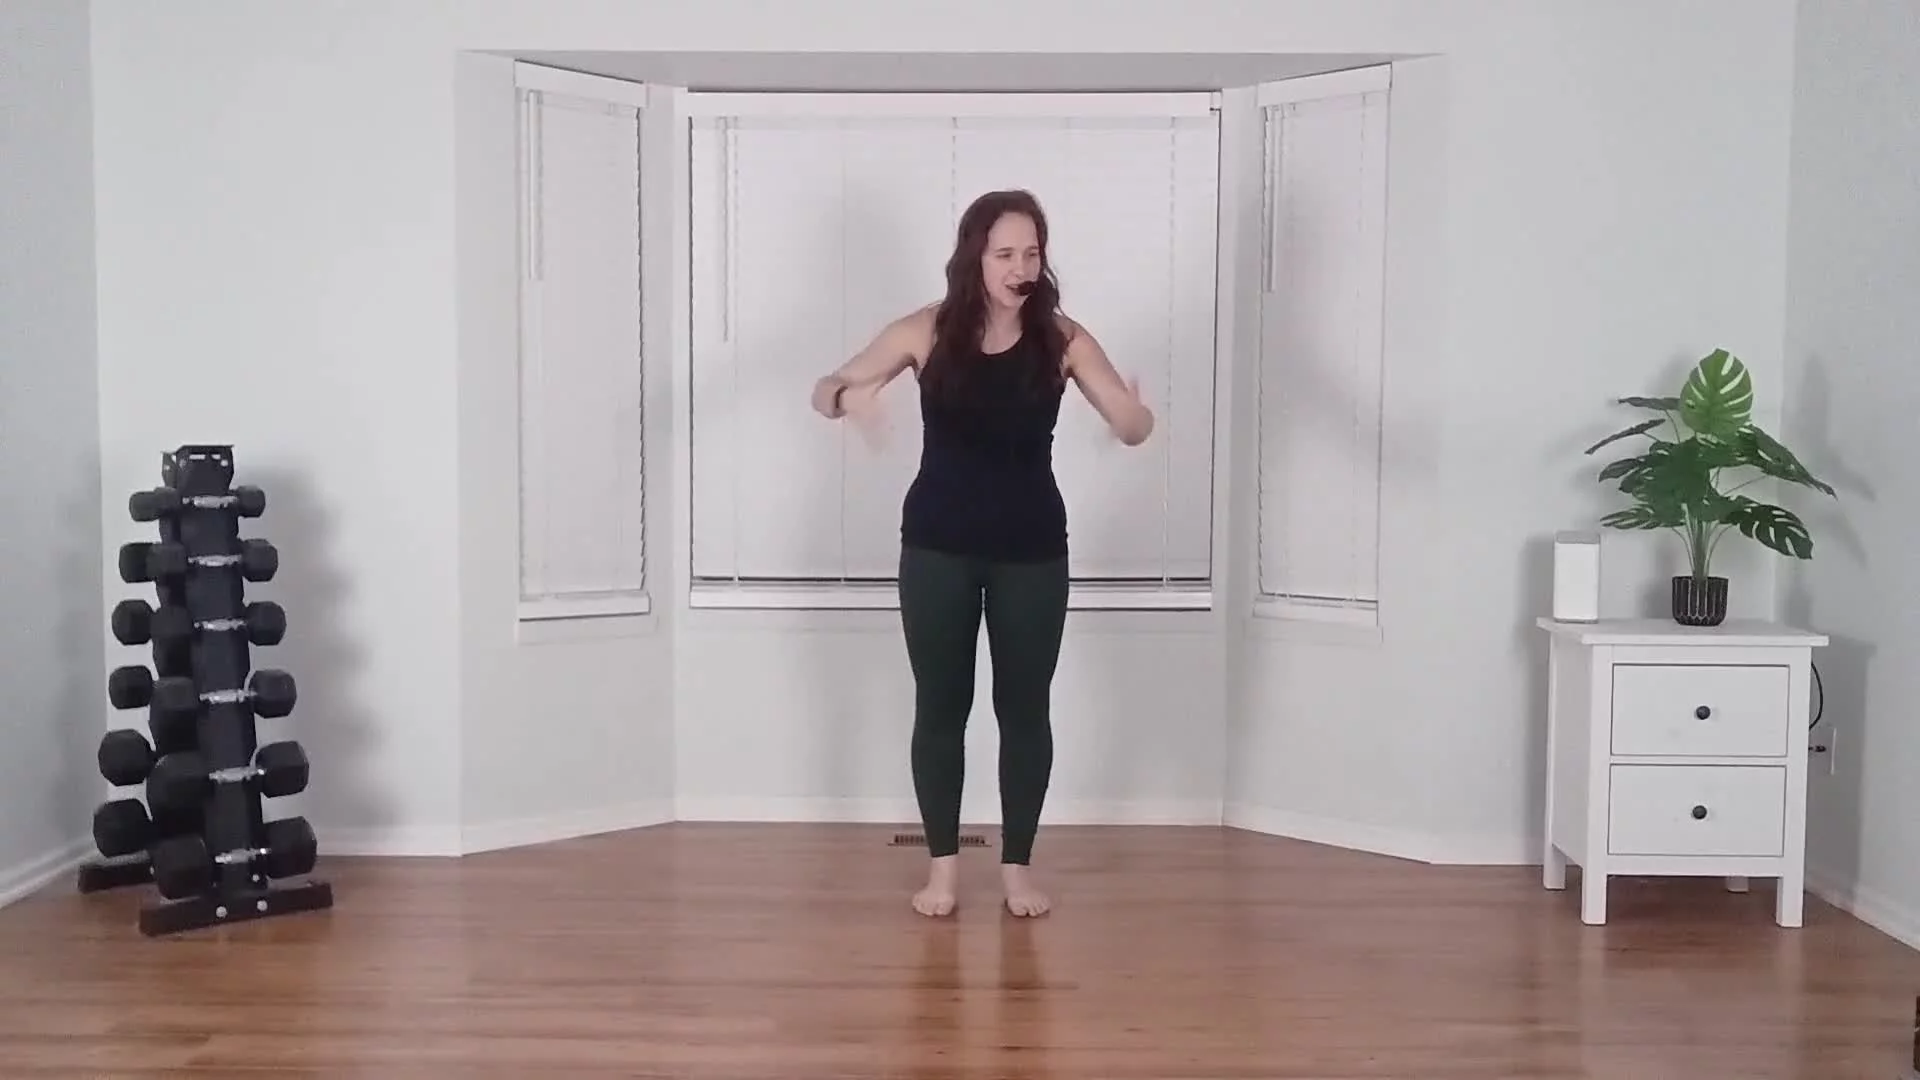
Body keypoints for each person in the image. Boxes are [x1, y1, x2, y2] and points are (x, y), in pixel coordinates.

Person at [809, 189, 1155, 918]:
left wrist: (1132, 415)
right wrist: (847, 399)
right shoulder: (926, 330)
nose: (1020, 267)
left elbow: (1131, 423)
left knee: (1024, 711)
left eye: (1031, 253)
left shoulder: (1063, 338)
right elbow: (827, 386)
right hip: (938, 548)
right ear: (975, 256)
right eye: (1005, 254)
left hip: (1033, 552)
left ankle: (1017, 871)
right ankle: (941, 873)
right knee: (941, 708)